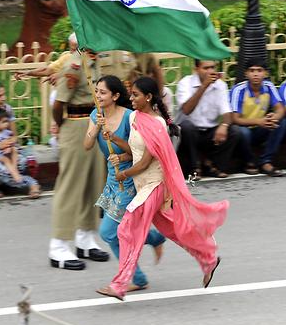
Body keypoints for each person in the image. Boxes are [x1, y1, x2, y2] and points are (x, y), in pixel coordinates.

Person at [97, 77, 227, 300]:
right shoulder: (136, 117)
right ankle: (208, 258)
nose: (132, 98)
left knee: (126, 230)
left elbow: (146, 162)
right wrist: (114, 139)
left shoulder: (157, 125)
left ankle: (120, 285)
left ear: (148, 97)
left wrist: (124, 174)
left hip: (153, 186)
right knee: (173, 230)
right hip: (142, 185)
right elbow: (133, 150)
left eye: (136, 95)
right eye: (131, 94)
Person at [83, 75, 165, 291]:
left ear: (116, 96)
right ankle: (154, 240)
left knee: (109, 232)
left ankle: (132, 278)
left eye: (103, 92)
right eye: (97, 91)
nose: (98, 96)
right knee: (121, 231)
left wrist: (120, 154)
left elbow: (138, 152)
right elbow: (87, 145)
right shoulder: (96, 114)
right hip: (112, 179)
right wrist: (96, 128)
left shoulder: (130, 118)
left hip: (128, 179)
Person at [47, 48, 110, 270]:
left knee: (93, 185)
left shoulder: (94, 62)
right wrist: (63, 126)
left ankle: (86, 237)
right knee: (71, 186)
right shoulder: (74, 65)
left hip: (94, 123)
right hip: (75, 126)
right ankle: (59, 245)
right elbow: (59, 104)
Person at [175, 59, 240, 179]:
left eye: (212, 67)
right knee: (187, 127)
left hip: (210, 132)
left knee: (234, 131)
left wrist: (224, 125)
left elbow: (227, 113)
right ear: (196, 70)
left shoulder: (220, 85)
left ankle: (214, 166)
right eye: (206, 68)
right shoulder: (185, 83)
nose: (210, 71)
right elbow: (186, 110)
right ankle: (195, 167)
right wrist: (204, 86)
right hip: (189, 133)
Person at [229, 58, 286, 176]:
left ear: (265, 73)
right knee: (242, 132)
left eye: (259, 70)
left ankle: (266, 161)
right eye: (252, 70)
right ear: (246, 73)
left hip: (261, 128)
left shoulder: (269, 86)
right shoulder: (238, 90)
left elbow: (280, 109)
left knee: (282, 122)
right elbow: (234, 119)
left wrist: (273, 117)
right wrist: (258, 121)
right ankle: (249, 161)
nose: (255, 74)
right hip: (243, 129)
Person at [0, 108, 33, 189]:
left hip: (5, 150)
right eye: (4, 122)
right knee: (6, 160)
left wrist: (9, 146)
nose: (7, 124)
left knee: (14, 150)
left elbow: (11, 140)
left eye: (7, 121)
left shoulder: (6, 132)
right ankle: (15, 174)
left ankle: (14, 168)